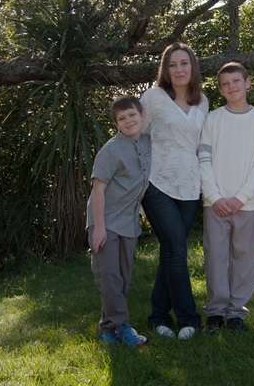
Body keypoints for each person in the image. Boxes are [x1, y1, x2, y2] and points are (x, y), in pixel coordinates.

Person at [139, 42, 208, 340]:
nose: (179, 69)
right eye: (173, 65)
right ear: (165, 70)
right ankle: (189, 318)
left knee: (170, 251)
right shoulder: (153, 98)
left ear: (192, 67)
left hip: (191, 186)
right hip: (157, 183)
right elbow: (136, 135)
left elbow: (203, 145)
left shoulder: (202, 101)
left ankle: (157, 317)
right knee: (178, 250)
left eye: (184, 63)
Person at [198, 62, 254, 333]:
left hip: (247, 203)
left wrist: (241, 198)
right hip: (215, 203)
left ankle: (236, 312)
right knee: (216, 256)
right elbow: (204, 159)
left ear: (248, 83)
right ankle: (216, 311)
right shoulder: (213, 120)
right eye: (225, 84)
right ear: (220, 89)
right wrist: (215, 197)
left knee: (244, 256)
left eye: (236, 81)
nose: (231, 87)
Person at [86, 96, 151, 347]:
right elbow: (97, 190)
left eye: (132, 115)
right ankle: (123, 327)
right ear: (116, 123)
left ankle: (107, 328)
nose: (128, 121)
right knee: (109, 275)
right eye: (122, 118)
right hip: (105, 220)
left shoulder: (147, 142)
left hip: (129, 222)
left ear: (142, 115)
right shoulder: (111, 150)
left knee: (122, 276)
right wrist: (99, 228)